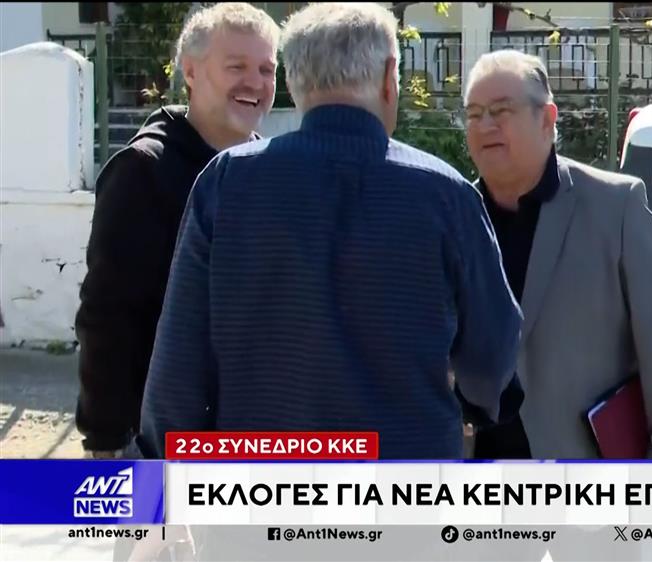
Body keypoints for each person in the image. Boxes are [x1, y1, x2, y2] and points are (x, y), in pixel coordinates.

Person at [135, 2, 521, 460]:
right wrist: (475, 405)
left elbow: (177, 367)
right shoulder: (447, 195)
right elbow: (492, 359)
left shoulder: (226, 183)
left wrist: (170, 473)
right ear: (389, 77)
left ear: (293, 81)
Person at [461, 50, 652, 459]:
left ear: (547, 118)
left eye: (500, 111)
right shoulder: (454, 213)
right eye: (473, 114)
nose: (485, 125)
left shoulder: (616, 207)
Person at [74, 2, 280, 459]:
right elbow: (108, 317)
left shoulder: (267, 170)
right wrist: (108, 442)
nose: (255, 82)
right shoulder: (142, 171)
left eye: (266, 69)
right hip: (155, 443)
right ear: (190, 70)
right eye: (236, 67)